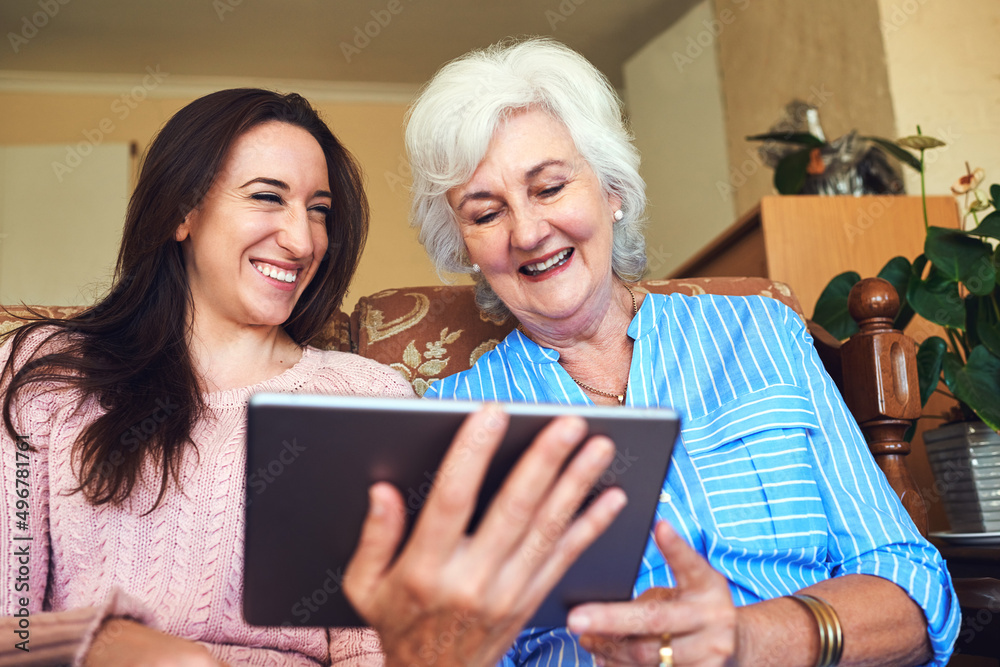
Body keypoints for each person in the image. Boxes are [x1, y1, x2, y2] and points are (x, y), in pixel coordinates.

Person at [0, 88, 625, 666]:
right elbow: (10, 624)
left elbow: (372, 650)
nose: (301, 239)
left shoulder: (364, 396)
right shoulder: (45, 376)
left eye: (318, 210)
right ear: (182, 211)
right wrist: (114, 644)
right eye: (268, 197)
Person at [406, 38, 960, 666]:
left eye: (551, 187)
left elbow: (914, 592)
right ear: (465, 248)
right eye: (486, 213)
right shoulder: (451, 416)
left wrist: (749, 639)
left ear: (612, 190)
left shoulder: (761, 333)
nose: (528, 232)